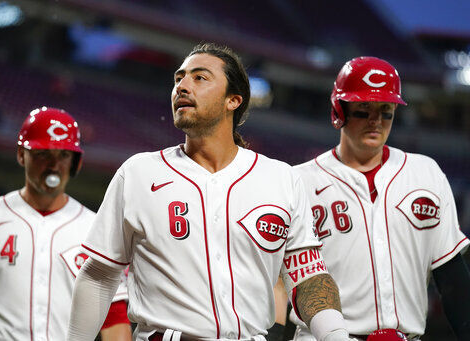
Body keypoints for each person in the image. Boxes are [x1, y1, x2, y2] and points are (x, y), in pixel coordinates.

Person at [67, 43, 356, 341]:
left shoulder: (281, 178)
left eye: (199, 77)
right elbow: (100, 275)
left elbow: (308, 276)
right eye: (179, 78)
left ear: (233, 100)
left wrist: (335, 335)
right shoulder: (139, 173)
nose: (182, 86)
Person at [290, 56, 470, 340]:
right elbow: (277, 280)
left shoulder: (424, 173)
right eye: (363, 109)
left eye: (386, 110)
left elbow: (450, 276)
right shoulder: (298, 181)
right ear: (340, 110)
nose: (376, 121)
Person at [0, 107, 132, 340]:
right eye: (43, 153)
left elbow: (115, 321)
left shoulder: (96, 231)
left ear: (76, 164)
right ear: (22, 155)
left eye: (63, 155)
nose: (53, 165)